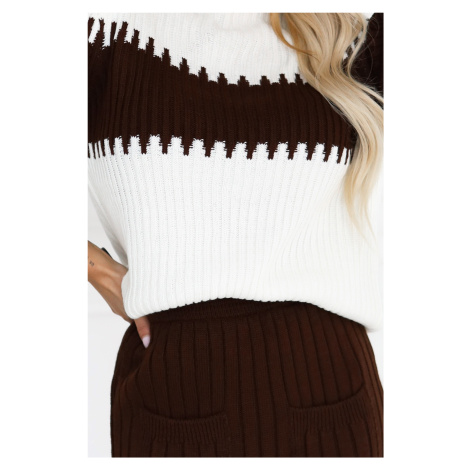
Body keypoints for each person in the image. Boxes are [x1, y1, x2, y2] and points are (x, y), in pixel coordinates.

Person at [88, 12, 384, 457]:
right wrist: (98, 270)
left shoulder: (347, 43)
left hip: (331, 387)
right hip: (170, 389)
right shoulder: (107, 38)